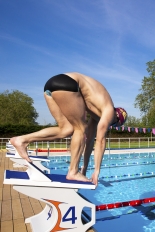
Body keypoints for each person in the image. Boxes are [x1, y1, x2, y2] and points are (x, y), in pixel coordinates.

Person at [10, 72, 127, 186]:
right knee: (80, 128)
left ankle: (21, 140)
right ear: (117, 118)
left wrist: (85, 168)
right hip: (67, 84)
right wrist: (97, 171)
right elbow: (100, 140)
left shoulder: (97, 112)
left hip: (51, 86)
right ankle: (73, 172)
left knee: (66, 129)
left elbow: (90, 141)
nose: (109, 125)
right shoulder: (109, 111)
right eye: (114, 124)